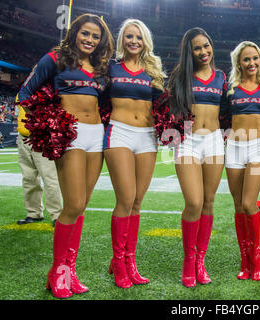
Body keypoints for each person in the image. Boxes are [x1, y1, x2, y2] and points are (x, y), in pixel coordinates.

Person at [18, 13, 114, 298]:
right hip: (69, 134)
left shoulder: (101, 67)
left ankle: (70, 271)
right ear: (74, 33)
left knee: (82, 205)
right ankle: (56, 270)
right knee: (71, 204)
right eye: (85, 33)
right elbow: (26, 91)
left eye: (95, 36)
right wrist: (46, 123)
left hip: (96, 135)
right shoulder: (55, 58)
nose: (90, 40)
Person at [103, 19, 166, 288]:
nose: (133, 41)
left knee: (138, 201)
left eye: (138, 37)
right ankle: (119, 262)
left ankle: (129, 260)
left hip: (147, 137)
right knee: (125, 199)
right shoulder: (111, 67)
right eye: (129, 36)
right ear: (122, 40)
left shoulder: (153, 69)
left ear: (145, 41)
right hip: (119, 132)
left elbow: (163, 103)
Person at [167, 27, 226, 287]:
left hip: (214, 142)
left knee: (209, 202)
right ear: (189, 52)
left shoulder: (222, 76)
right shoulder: (180, 76)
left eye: (206, 45)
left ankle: (200, 262)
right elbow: (168, 109)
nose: (204, 51)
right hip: (188, 141)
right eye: (197, 48)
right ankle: (188, 261)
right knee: (194, 202)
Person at [226, 41, 260, 281]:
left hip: (257, 146)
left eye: (255, 58)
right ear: (239, 62)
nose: (251, 63)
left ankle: (256, 255)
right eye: (246, 59)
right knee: (238, 206)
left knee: (248, 203)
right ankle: (244, 259)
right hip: (234, 146)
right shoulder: (231, 88)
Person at [15, 99, 63, 227]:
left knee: (49, 178)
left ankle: (57, 215)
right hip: (23, 137)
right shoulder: (22, 91)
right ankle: (34, 213)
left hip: (41, 137)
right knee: (28, 178)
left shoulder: (41, 87)